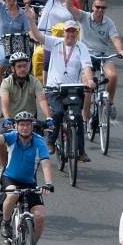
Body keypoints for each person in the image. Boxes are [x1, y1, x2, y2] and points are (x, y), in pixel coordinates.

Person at [29, 19, 94, 162]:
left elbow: (86, 67)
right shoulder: (55, 42)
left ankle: (81, 151)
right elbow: (37, 36)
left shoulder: (81, 47)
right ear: (64, 32)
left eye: (73, 31)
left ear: (76, 33)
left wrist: (89, 80)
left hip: (73, 89)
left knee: (77, 117)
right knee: (57, 112)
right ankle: (51, 141)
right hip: (54, 88)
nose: (70, 34)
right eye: (68, 31)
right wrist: (30, 19)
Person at [0, 111, 55, 245]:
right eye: (21, 125)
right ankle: (6, 222)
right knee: (13, 193)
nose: (24, 127)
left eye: (27, 124)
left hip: (30, 183)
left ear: (32, 126)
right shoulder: (12, 137)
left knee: (40, 216)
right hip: (10, 178)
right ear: (16, 126)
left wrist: (48, 183)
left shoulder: (39, 142)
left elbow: (45, 164)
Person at [79, 0, 123, 110]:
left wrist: (120, 50)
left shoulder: (109, 23)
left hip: (102, 55)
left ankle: (109, 103)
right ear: (92, 7)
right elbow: (70, 8)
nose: (100, 10)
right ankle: (85, 120)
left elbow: (115, 38)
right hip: (87, 55)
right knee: (88, 88)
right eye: (98, 7)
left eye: (103, 8)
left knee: (112, 76)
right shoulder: (84, 17)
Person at [0, 0, 36, 88]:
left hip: (17, 44)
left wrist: (36, 38)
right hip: (0, 43)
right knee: (5, 59)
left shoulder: (22, 13)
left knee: (26, 58)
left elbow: (28, 30)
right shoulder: (0, 7)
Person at [0, 51, 48, 122]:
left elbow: (42, 100)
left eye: (24, 66)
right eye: (19, 66)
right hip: (11, 119)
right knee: (0, 133)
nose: (23, 69)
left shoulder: (35, 81)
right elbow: (4, 103)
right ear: (12, 68)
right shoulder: (6, 82)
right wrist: (6, 118)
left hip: (30, 120)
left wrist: (49, 117)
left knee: (44, 132)